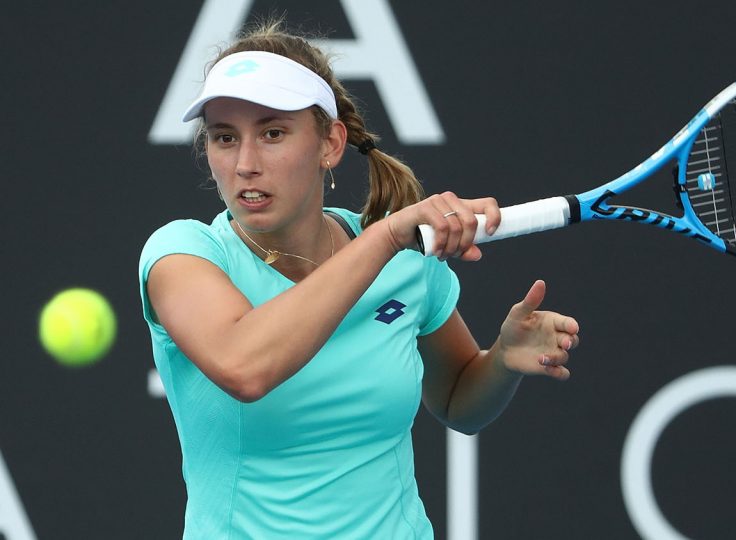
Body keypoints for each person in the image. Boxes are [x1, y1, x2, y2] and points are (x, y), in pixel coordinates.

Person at [138, 20, 580, 539]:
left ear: (330, 143)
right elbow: (245, 367)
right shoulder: (182, 254)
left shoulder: (407, 263)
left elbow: (460, 399)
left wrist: (502, 361)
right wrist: (386, 236)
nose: (245, 164)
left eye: (273, 132)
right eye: (224, 137)